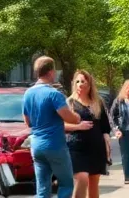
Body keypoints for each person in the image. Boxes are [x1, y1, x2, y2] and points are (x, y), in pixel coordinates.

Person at [22, 56, 89, 198]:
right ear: (51, 72)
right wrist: (77, 117)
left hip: (36, 146)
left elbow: (27, 122)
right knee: (65, 184)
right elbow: (68, 117)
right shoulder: (54, 94)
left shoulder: (28, 93)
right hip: (55, 145)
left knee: (42, 188)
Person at [64, 69, 112, 198]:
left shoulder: (98, 102)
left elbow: (105, 127)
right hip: (76, 148)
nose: (80, 84)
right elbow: (60, 125)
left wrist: (107, 142)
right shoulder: (69, 103)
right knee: (82, 178)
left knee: (93, 183)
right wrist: (78, 126)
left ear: (89, 84)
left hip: (96, 148)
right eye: (77, 81)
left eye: (83, 81)